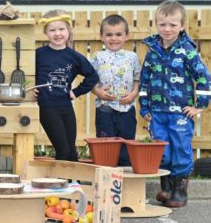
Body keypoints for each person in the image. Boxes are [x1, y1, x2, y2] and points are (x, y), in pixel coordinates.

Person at [139, 0, 211, 208]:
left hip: (180, 113)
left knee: (180, 148)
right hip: (157, 112)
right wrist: (144, 106)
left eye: (173, 25)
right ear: (156, 24)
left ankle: (180, 191)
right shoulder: (152, 51)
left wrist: (200, 105)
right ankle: (167, 188)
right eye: (163, 24)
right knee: (161, 150)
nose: (167, 29)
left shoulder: (187, 50)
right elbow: (145, 79)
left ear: (181, 26)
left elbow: (203, 76)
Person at [35, 10, 99, 161]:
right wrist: (31, 90)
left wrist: (76, 92)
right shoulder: (38, 54)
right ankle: (58, 183)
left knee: (71, 151)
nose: (57, 34)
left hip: (66, 106)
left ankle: (72, 183)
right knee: (62, 150)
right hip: (47, 107)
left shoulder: (74, 57)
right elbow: (25, 74)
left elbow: (93, 76)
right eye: (52, 30)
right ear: (46, 33)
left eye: (61, 29)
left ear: (68, 30)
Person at [90, 14, 141, 166]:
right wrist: (97, 91)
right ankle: (107, 176)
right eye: (109, 35)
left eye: (119, 34)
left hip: (127, 109)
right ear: (101, 36)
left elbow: (137, 79)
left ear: (127, 36)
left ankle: (125, 177)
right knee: (106, 145)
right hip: (104, 109)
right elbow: (90, 80)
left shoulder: (132, 57)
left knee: (126, 144)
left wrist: (133, 94)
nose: (114, 38)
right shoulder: (97, 56)